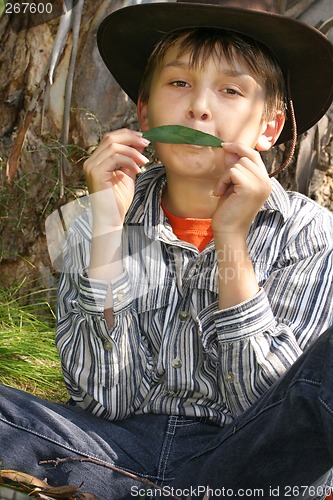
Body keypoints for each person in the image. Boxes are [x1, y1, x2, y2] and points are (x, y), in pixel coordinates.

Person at [1, 1, 333, 499]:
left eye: (230, 90)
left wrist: (231, 242)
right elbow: (102, 398)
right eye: (178, 84)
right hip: (111, 458)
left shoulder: (309, 231)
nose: (198, 107)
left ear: (270, 127)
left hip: (248, 470)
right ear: (144, 111)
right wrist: (109, 230)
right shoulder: (98, 218)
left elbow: (269, 409)